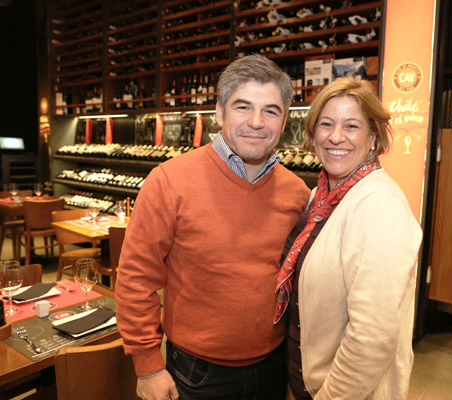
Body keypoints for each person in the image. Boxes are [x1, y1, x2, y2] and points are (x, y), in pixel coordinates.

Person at [116, 54, 311, 400]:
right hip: (198, 374)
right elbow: (136, 277)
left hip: (274, 366)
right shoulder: (169, 181)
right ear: (219, 113)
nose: (256, 122)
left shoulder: (297, 193)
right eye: (242, 107)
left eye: (270, 111)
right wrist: (148, 366)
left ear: (284, 122)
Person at [274, 78, 423, 399]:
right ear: (313, 132)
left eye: (351, 126)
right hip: (308, 384)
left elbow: (372, 338)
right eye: (326, 124)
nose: (335, 136)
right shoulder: (322, 196)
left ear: (373, 137)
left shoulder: (379, 204)